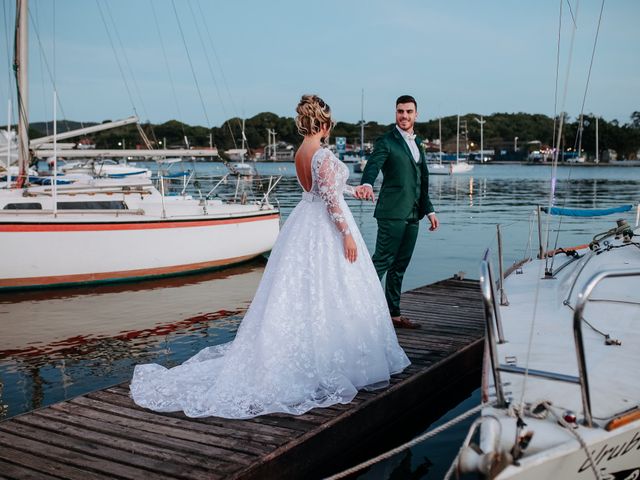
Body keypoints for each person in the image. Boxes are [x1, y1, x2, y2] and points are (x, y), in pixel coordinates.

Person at [130, 95, 410, 419]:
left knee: (303, 295)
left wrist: (354, 191)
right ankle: (333, 358)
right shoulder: (323, 154)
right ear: (324, 124)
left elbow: (322, 191)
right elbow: (330, 201)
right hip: (325, 229)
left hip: (304, 222)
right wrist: (347, 234)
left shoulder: (302, 153)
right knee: (331, 291)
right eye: (329, 124)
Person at [354, 95, 439, 329]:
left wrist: (429, 210)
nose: (404, 115)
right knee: (381, 262)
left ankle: (393, 313)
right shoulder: (386, 141)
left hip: (413, 215)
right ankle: (357, 310)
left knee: (400, 266)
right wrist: (367, 184)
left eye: (409, 111)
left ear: (416, 114)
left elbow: (422, 179)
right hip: (391, 213)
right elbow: (373, 166)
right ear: (395, 113)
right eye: (400, 111)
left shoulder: (418, 142)